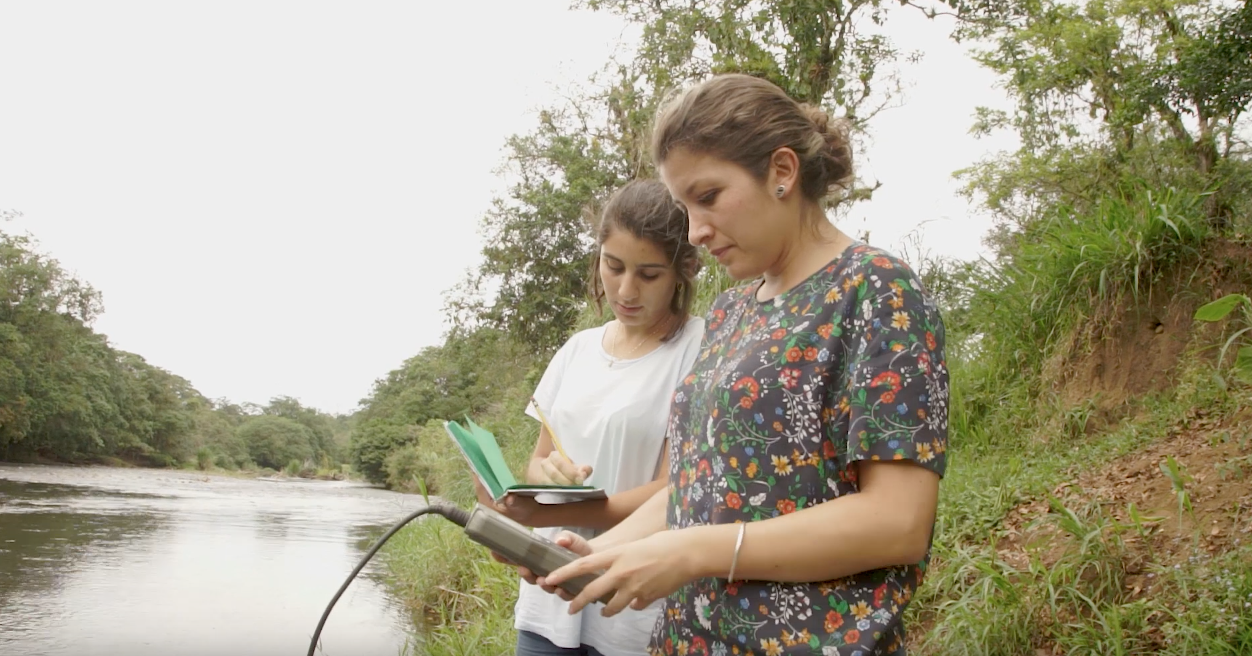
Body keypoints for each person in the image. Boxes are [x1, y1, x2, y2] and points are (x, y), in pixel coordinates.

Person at [534, 73, 950, 656]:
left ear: (782, 172)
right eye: (684, 208)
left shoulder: (874, 289)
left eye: (707, 197)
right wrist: (602, 555)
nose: (696, 231)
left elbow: (898, 521)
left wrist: (694, 550)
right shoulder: (731, 313)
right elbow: (698, 485)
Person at [475, 179, 706, 656]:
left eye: (648, 274)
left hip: (632, 605)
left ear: (681, 272)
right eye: (613, 266)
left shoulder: (699, 348)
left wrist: (549, 511)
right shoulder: (577, 349)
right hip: (547, 593)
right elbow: (538, 460)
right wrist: (549, 476)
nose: (625, 290)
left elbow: (675, 490)